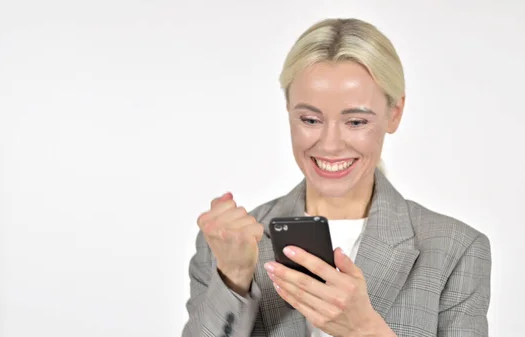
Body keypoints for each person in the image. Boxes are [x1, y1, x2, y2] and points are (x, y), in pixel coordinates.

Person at [182, 18, 491, 337]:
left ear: (394, 113)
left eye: (356, 122)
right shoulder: (228, 244)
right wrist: (234, 278)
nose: (329, 145)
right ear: (288, 109)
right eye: (310, 119)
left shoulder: (456, 249)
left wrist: (365, 330)